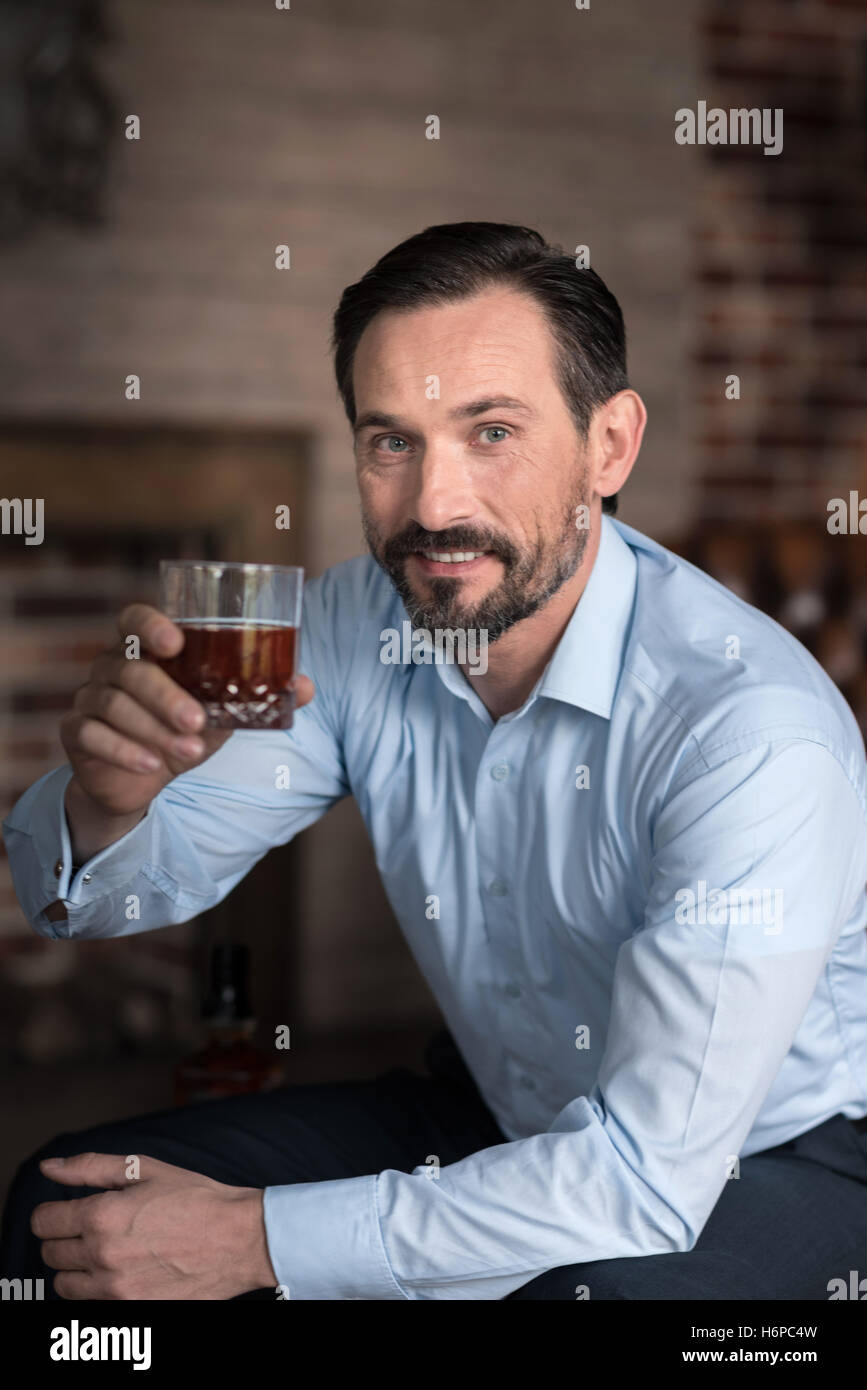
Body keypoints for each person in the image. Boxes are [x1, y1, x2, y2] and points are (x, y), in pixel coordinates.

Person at [2, 221, 867, 1301]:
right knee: (65, 1211)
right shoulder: (355, 626)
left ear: (610, 445)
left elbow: (645, 1180)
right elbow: (91, 905)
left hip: (774, 1154)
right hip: (496, 1104)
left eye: (491, 431)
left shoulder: (746, 733)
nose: (434, 507)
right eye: (391, 441)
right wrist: (109, 803)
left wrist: (256, 1242)